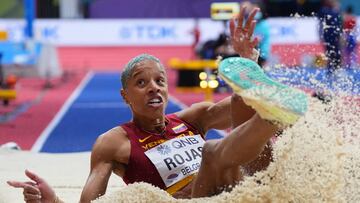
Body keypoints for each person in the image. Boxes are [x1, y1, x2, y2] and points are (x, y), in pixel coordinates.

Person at [7, 7, 308, 202]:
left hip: (244, 190)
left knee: (249, 122)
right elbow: (91, 202)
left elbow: (237, 112)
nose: (154, 87)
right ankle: (269, 118)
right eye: (141, 82)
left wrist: (246, 62)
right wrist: (54, 202)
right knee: (213, 151)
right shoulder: (114, 142)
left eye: (160, 81)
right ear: (125, 96)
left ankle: (269, 110)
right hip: (197, 198)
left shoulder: (193, 118)